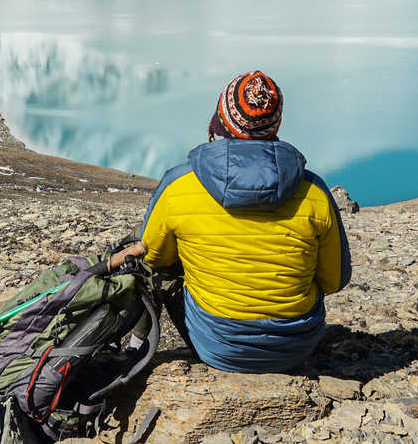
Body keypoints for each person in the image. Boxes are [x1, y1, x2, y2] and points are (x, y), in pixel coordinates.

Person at [120, 70, 351, 373]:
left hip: (216, 347)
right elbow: (334, 281)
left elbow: (156, 257)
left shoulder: (179, 186)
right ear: (275, 124)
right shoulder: (314, 192)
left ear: (221, 120)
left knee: (142, 252)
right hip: (295, 347)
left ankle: (136, 350)